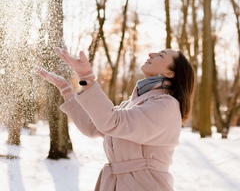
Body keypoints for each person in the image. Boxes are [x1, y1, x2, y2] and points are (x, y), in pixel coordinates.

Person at [35, 47, 195, 191]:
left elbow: (111, 121)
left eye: (161, 55)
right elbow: (93, 127)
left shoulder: (165, 106)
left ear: (170, 73)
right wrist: (66, 90)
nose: (151, 54)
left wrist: (86, 77)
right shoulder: (133, 104)